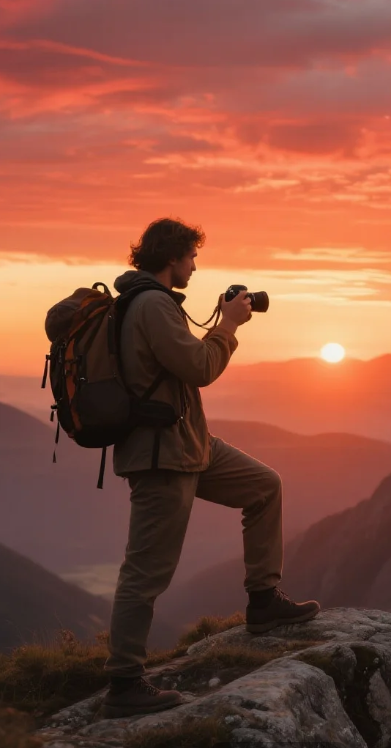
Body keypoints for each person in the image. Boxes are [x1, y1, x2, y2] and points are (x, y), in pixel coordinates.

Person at [101, 217, 321, 719]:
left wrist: (219, 323)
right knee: (146, 571)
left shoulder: (150, 302)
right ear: (172, 256)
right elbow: (199, 368)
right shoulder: (152, 304)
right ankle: (123, 684)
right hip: (162, 456)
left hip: (188, 443)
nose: (195, 266)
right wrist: (228, 326)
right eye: (191, 257)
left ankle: (263, 603)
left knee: (264, 485)